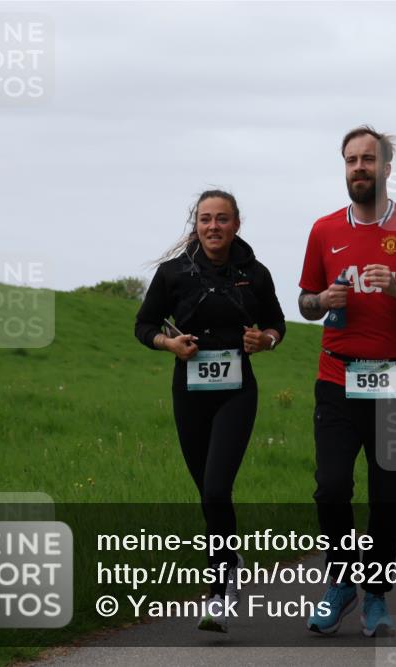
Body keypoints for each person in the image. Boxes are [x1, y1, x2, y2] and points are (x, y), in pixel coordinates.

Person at [297, 126, 396, 637]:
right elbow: (304, 303)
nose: (358, 168)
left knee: (388, 495)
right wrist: (321, 302)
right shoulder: (323, 230)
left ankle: (377, 595)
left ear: (387, 167)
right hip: (337, 380)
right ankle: (341, 582)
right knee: (332, 488)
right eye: (350, 160)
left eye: (368, 159)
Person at [134, 189, 286, 633]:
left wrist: (267, 340)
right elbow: (143, 325)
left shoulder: (254, 274)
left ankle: (219, 590)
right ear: (195, 225)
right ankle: (231, 557)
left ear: (237, 224)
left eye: (222, 219)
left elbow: (277, 323)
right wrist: (168, 344)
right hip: (190, 391)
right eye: (205, 219)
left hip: (238, 391)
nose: (213, 227)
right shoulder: (173, 274)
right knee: (208, 493)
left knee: (218, 490)